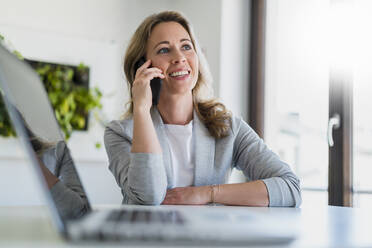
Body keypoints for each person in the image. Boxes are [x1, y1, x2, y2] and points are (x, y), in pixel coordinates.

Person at [104, 11, 301, 207]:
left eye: (186, 47)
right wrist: (141, 109)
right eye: (164, 50)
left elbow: (289, 188)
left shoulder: (230, 128)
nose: (179, 57)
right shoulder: (120, 133)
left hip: (208, 237)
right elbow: (148, 196)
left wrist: (207, 193)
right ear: (143, 66)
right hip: (148, 238)